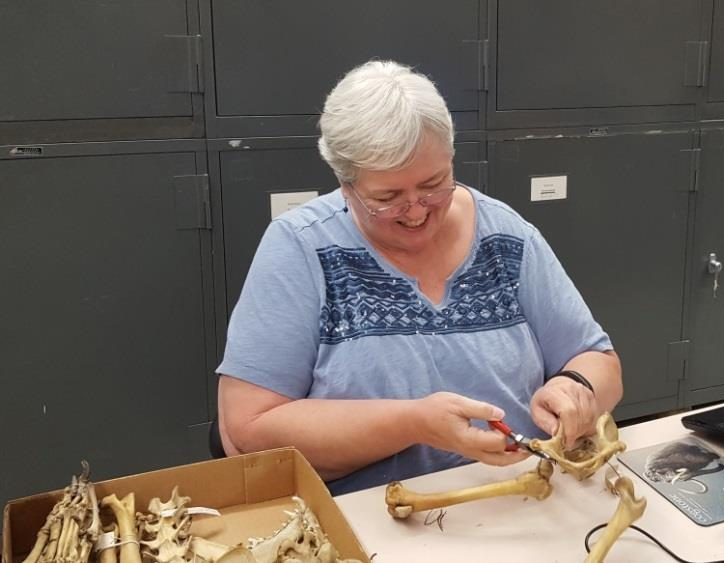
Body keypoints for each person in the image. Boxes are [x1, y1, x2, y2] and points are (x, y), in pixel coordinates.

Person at [216, 60, 622, 494]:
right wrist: (413, 424)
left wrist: (574, 387)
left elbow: (600, 363)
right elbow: (247, 429)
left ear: (451, 157)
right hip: (371, 519)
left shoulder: (506, 237)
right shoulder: (301, 248)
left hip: (520, 499)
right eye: (387, 197)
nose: (415, 211)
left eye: (434, 184)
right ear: (345, 183)